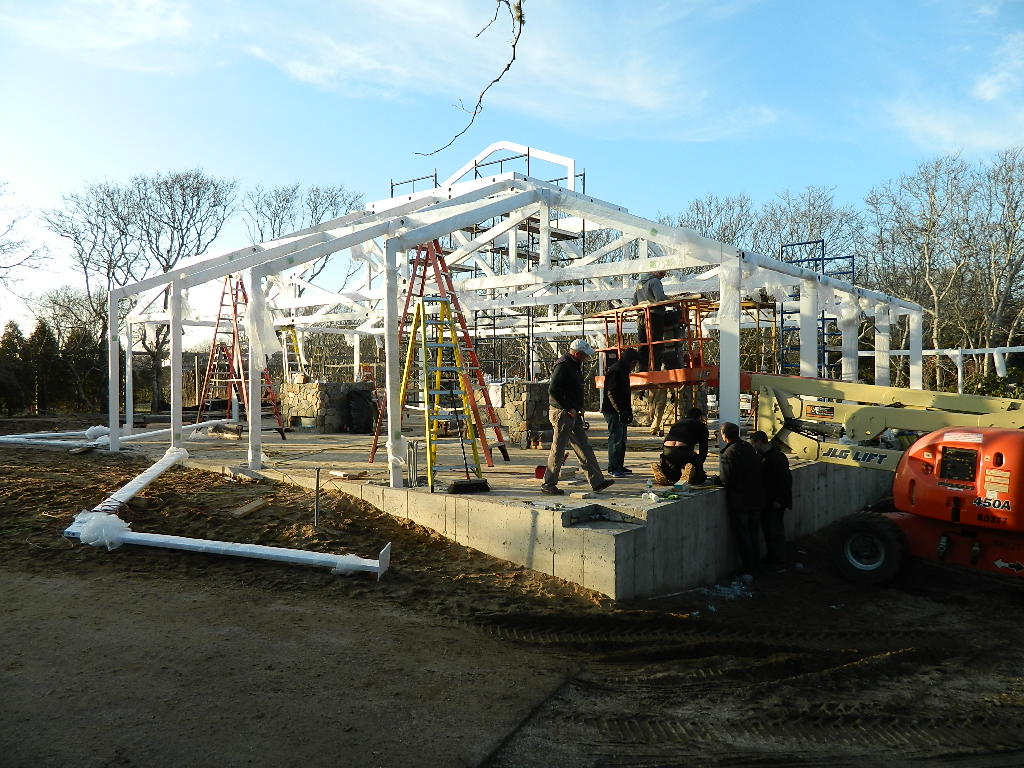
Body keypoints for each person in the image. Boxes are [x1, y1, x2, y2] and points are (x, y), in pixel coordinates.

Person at [542, 339, 615, 496]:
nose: (586, 358)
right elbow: (553, 390)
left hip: (571, 411)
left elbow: (573, 388)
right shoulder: (563, 366)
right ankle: (549, 483)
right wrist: (568, 408)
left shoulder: (574, 365)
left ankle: (597, 481)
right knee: (558, 448)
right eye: (584, 355)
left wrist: (578, 407)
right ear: (576, 353)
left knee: (584, 445)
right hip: (562, 412)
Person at [711, 421, 764, 576]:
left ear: (724, 436)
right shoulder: (748, 447)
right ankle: (756, 565)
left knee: (743, 535)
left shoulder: (727, 453)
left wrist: (716, 479)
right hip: (756, 497)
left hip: (740, 500)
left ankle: (748, 568)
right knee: (754, 533)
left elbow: (726, 480)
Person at [750, 430, 793, 572]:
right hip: (767, 501)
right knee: (769, 531)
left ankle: (779, 562)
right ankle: (773, 558)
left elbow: (784, 481)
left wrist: (779, 500)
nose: (753, 446)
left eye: (753, 443)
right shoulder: (765, 456)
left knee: (775, 531)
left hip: (774, 502)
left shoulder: (775, 458)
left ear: (758, 442)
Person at [600, 348, 639, 477]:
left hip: (621, 410)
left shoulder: (623, 370)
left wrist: (628, 411)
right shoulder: (616, 371)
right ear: (630, 361)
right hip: (612, 411)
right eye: (634, 363)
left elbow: (625, 394)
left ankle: (619, 466)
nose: (634, 367)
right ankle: (613, 467)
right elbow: (611, 393)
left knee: (622, 439)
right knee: (615, 438)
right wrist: (620, 411)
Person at [651, 407, 709, 486]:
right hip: (683, 449)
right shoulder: (701, 425)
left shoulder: (678, 422)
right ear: (700, 417)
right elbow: (703, 448)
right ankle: (691, 472)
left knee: (673, 476)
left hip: (667, 448)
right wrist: (699, 465)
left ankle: (664, 471)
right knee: (699, 478)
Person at [633, 270, 669, 371]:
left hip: (641, 317)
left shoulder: (640, 283)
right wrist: (673, 302)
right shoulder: (655, 282)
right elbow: (660, 298)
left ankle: (642, 369)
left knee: (643, 344)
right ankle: (655, 368)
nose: (663, 276)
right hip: (654, 316)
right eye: (662, 273)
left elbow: (635, 302)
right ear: (655, 272)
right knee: (656, 343)